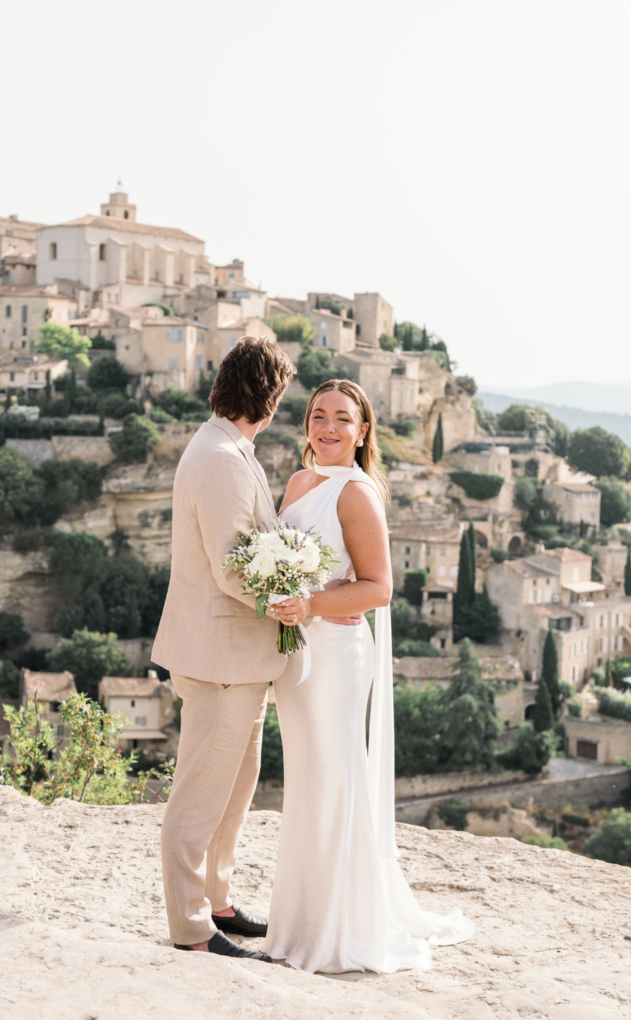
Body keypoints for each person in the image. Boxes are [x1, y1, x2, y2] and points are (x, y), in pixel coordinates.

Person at [268, 378, 473, 973]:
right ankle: (300, 925)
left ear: (362, 433)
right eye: (317, 415)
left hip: (335, 653)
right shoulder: (300, 482)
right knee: (307, 784)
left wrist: (308, 604)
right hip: (297, 655)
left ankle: (338, 931)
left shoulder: (358, 493)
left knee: (335, 779)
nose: (327, 427)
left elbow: (378, 588)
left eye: (341, 419)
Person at [152, 336, 296, 964]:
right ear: (269, 397)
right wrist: (286, 601)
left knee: (237, 785)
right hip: (219, 657)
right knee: (202, 790)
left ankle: (219, 899)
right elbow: (231, 566)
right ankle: (190, 924)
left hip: (239, 657)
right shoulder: (222, 458)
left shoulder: (224, 447)